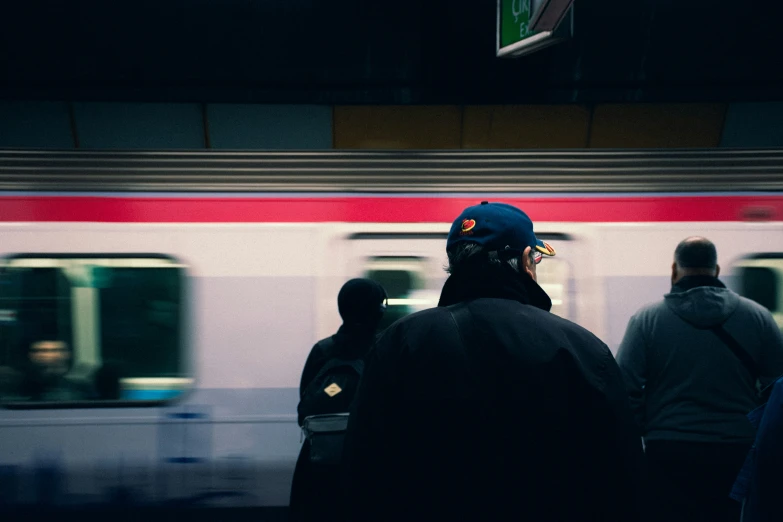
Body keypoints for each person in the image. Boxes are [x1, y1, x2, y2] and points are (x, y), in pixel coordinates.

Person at [341, 201, 644, 522]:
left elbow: (362, 462)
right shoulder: (582, 349)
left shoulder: (398, 342)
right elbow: (622, 474)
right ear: (527, 261)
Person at [616, 237, 783, 522]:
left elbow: (623, 386)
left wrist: (648, 427)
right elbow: (776, 387)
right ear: (716, 270)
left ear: (674, 269)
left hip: (669, 449)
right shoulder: (758, 317)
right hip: (736, 450)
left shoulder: (647, 319)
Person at [289, 278, 387, 522]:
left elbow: (304, 408)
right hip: (370, 463)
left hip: (319, 464)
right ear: (377, 311)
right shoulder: (386, 348)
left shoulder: (322, 350)